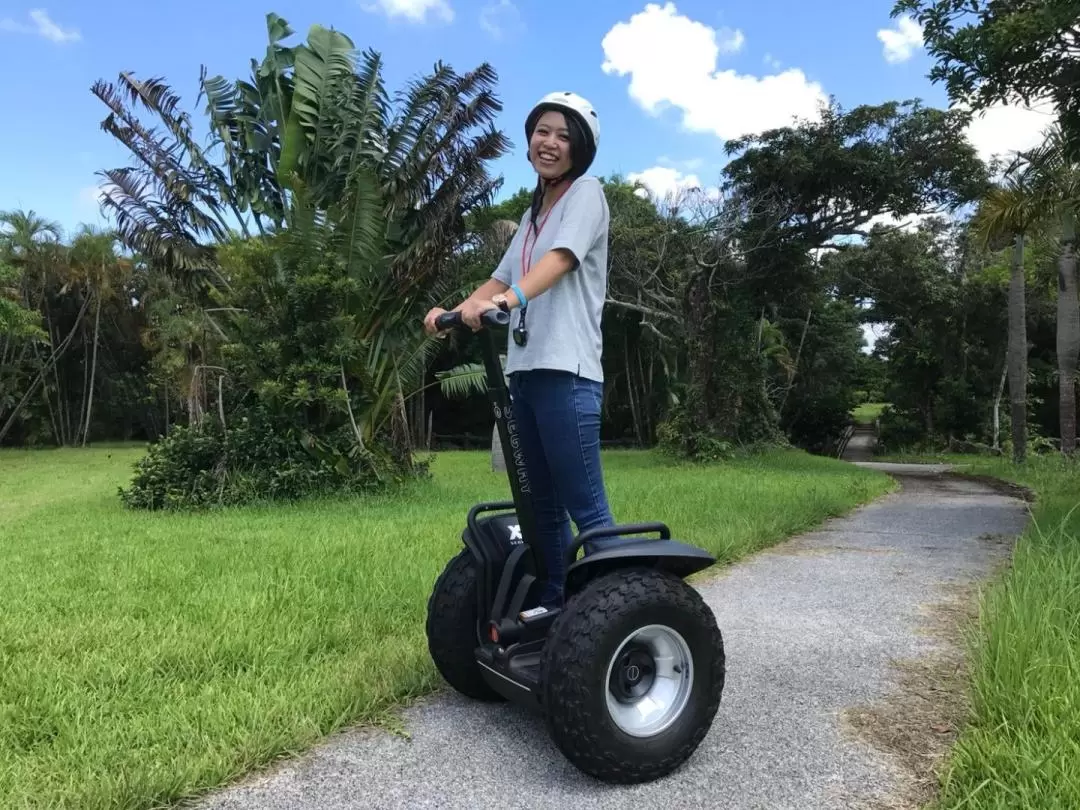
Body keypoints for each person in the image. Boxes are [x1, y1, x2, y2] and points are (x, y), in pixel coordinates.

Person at [424, 91, 616, 607]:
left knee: (586, 506)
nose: (550, 143)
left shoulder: (586, 194)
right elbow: (497, 279)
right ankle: (556, 603)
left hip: (568, 371)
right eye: (542, 131)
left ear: (579, 149)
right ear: (530, 139)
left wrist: (509, 299)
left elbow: (558, 261)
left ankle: (617, 609)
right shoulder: (532, 216)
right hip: (526, 374)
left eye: (563, 135)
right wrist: (451, 312)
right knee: (540, 505)